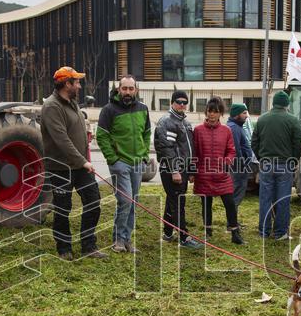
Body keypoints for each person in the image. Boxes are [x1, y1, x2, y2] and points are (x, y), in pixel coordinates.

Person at [39, 66, 107, 261]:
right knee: (63, 209)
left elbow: (74, 133)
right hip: (61, 167)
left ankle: (88, 245)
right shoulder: (52, 106)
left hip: (80, 167)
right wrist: (83, 161)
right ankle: (64, 248)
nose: (79, 85)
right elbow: (61, 140)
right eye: (76, 82)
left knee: (93, 202)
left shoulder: (72, 102)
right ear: (66, 84)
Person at [95, 75, 151, 254]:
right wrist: (113, 160)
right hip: (120, 164)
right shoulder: (109, 110)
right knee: (125, 201)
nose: (127, 92)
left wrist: (143, 155)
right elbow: (101, 136)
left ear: (136, 90)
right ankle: (118, 239)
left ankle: (126, 240)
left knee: (133, 202)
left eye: (131, 88)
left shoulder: (143, 109)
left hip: (137, 163)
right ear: (118, 89)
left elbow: (147, 133)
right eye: (124, 88)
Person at [154, 91, 203, 249]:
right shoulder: (166, 122)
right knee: (178, 202)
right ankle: (184, 237)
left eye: (185, 102)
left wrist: (192, 170)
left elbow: (190, 149)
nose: (182, 104)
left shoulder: (186, 122)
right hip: (171, 170)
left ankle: (168, 233)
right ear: (172, 103)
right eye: (179, 101)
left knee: (172, 200)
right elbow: (166, 149)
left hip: (183, 170)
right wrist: (174, 170)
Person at [193, 97, 243, 244]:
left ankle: (235, 233)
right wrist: (193, 171)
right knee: (206, 204)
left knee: (230, 203)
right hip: (203, 174)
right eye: (209, 111)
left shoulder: (226, 131)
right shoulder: (197, 130)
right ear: (206, 112)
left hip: (222, 175)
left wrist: (226, 163)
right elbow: (194, 153)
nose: (212, 115)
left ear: (220, 113)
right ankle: (207, 232)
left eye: (215, 112)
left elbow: (231, 150)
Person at [252, 91, 301, 239]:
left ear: (274, 103)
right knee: (283, 199)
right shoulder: (292, 120)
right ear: (286, 104)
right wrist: (294, 160)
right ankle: (280, 232)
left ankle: (264, 231)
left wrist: (262, 158)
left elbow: (254, 142)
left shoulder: (262, 119)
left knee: (265, 199)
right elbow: (298, 143)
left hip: (266, 164)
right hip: (285, 165)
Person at [226, 103, 254, 209]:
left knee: (237, 195)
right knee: (236, 195)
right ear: (236, 114)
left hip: (240, 168)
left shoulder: (237, 126)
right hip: (238, 169)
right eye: (244, 113)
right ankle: (232, 223)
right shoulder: (234, 128)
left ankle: (233, 221)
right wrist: (242, 166)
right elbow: (236, 150)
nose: (247, 116)